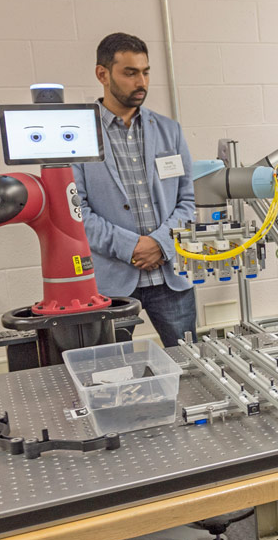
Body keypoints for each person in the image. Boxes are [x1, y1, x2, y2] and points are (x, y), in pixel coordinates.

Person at [73, 32, 197, 347]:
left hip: (170, 277)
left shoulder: (169, 130)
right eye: (130, 73)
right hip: (111, 284)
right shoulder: (77, 134)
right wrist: (131, 247)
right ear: (102, 74)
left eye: (145, 72)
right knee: (109, 372)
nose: (141, 81)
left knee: (191, 365)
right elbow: (77, 213)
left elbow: (187, 201)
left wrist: (160, 244)